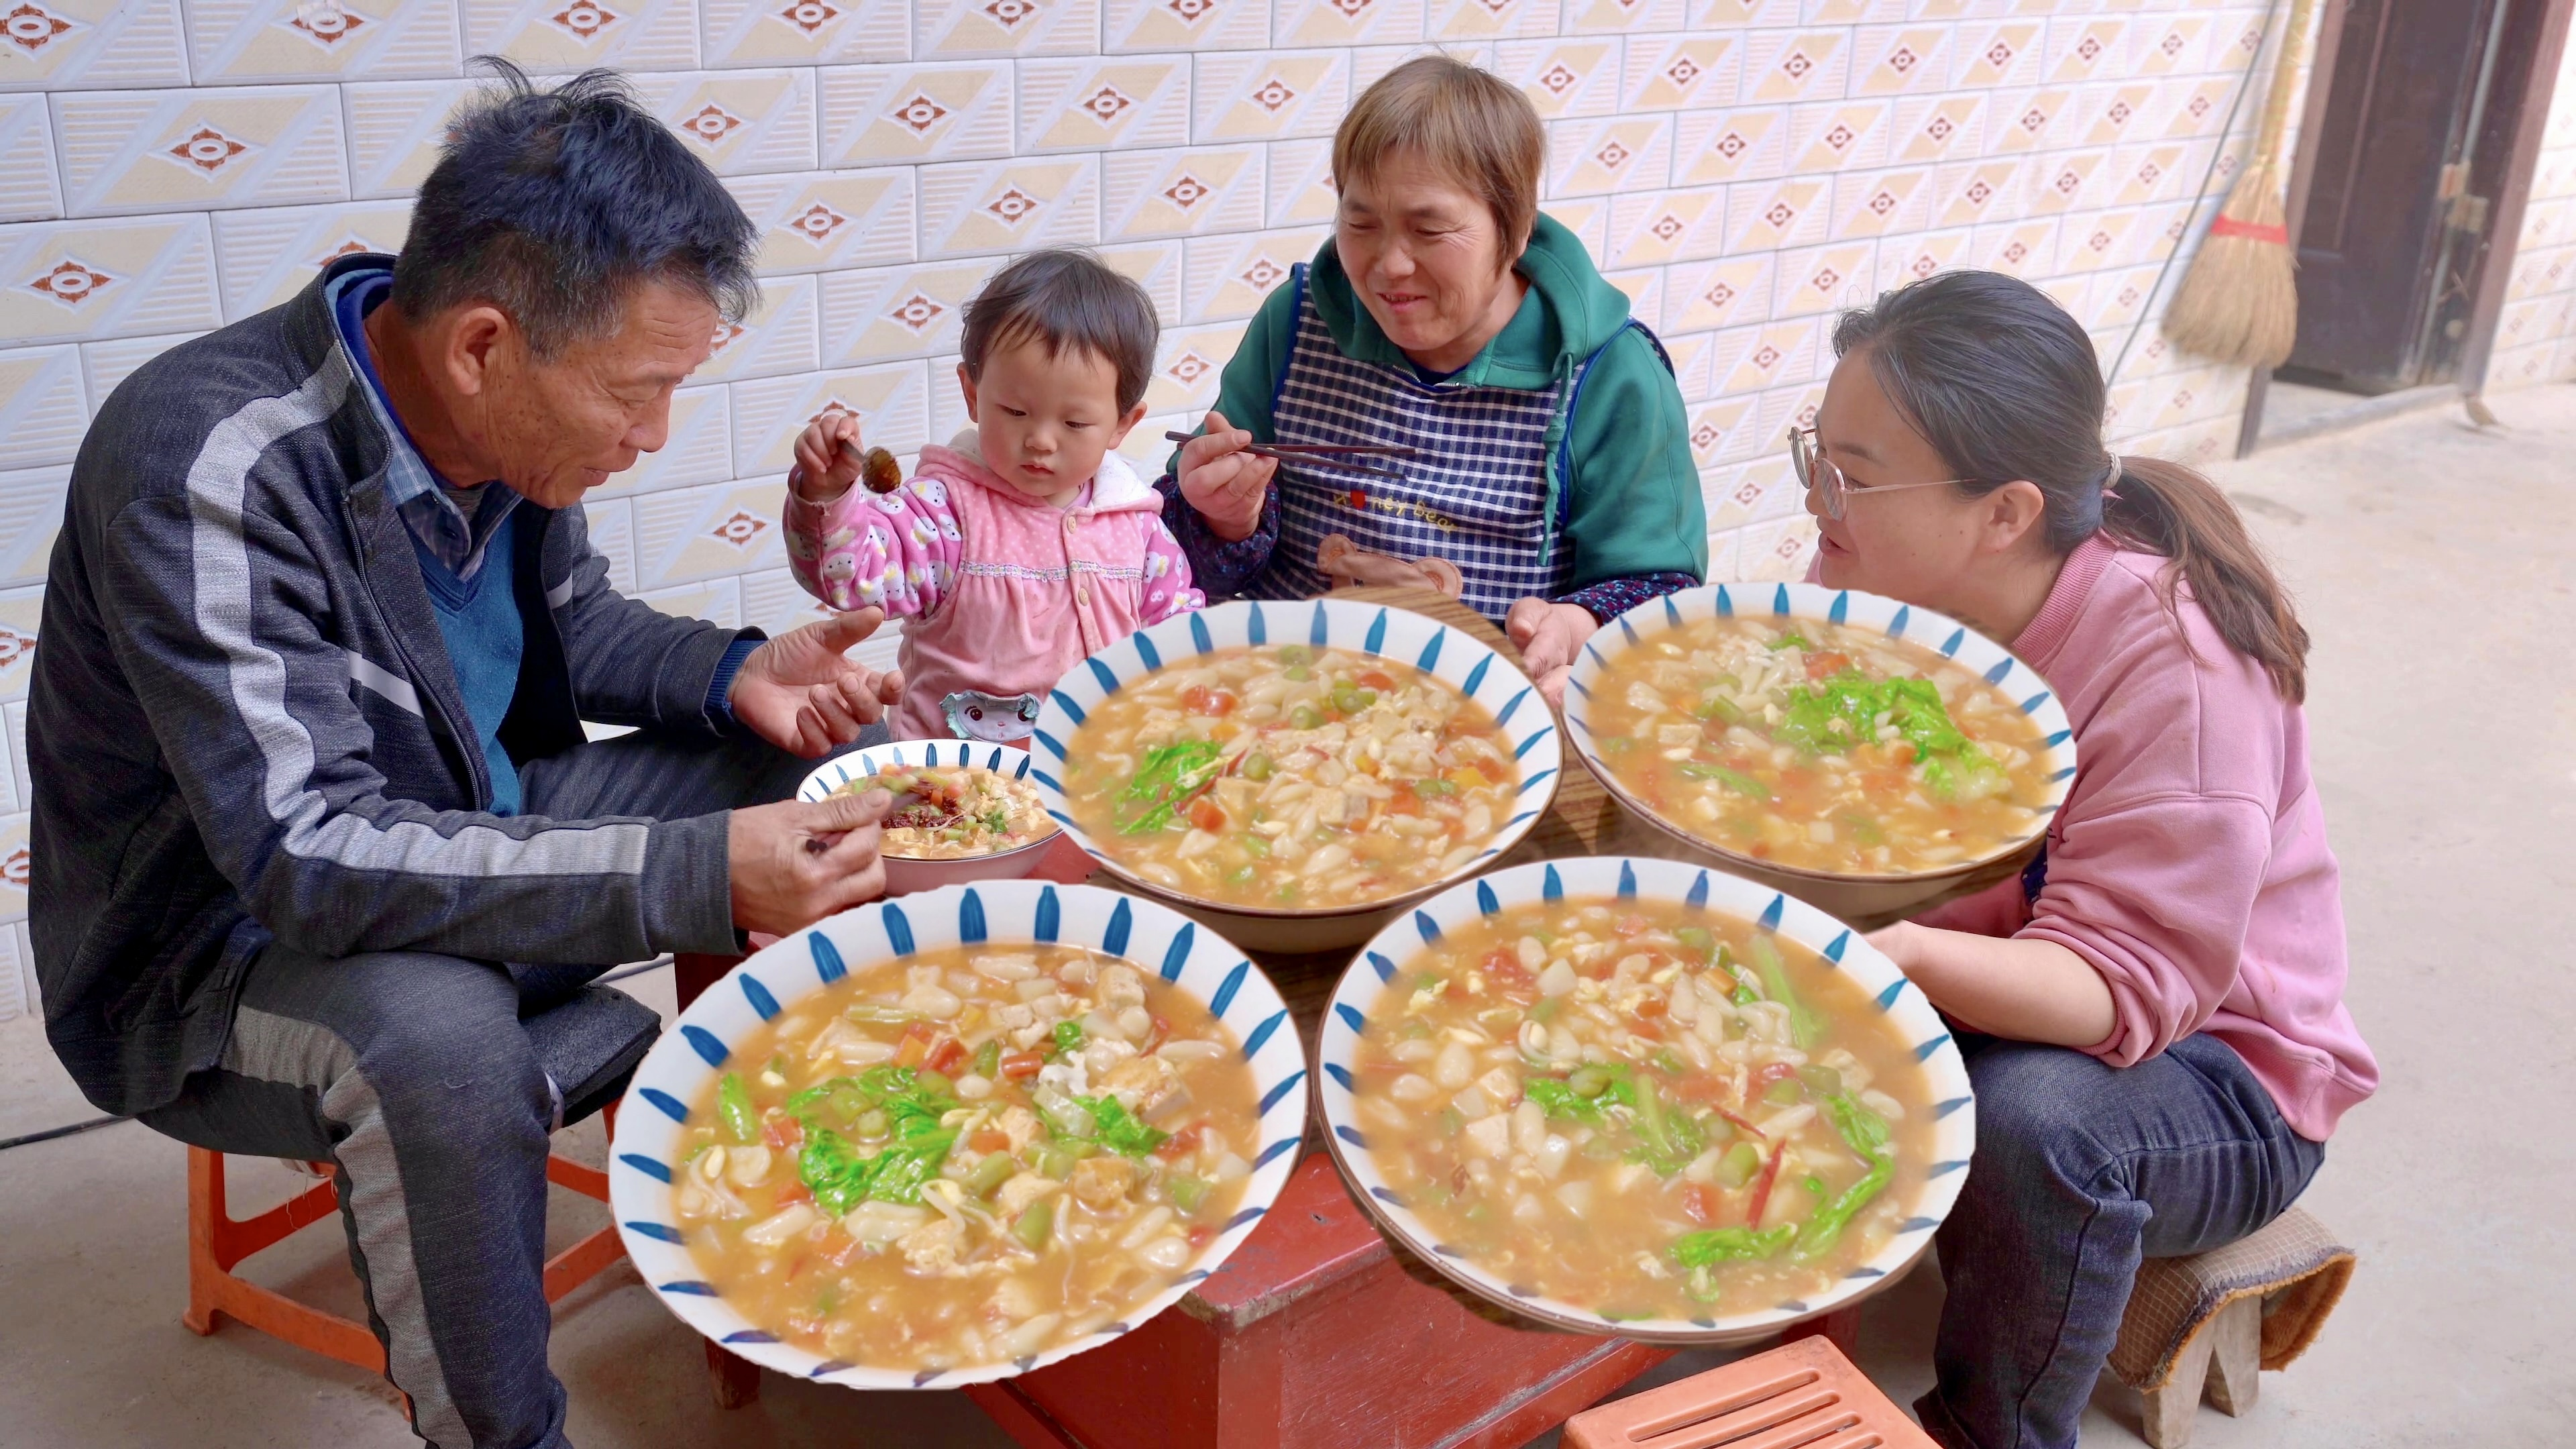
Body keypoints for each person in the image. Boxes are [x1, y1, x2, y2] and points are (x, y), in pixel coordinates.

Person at [28, 64, 903, 1449]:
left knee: (849, 784)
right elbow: (306, 853)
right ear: (484, 345)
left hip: (459, 825)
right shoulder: (205, 463)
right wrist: (685, 872)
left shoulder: (497, 427)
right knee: (440, 1050)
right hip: (221, 946)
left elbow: (577, 625)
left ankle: (838, 1188)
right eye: (640, 391)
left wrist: (741, 675)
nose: (655, 433)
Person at [1799, 270, 2378, 1449]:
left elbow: (2120, 990)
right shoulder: (1902, 584)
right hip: (2005, 961)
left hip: (2220, 1070)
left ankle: (1994, 1427)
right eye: (1818, 453)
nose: (1821, 499)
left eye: (1854, 475)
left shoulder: (2179, 671)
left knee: (2034, 1121)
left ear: (2005, 512)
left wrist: (1893, 949)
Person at [1160, 55, 1704, 699]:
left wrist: (1581, 622)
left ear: (1516, 226)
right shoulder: (1298, 321)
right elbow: (1173, 561)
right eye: (1361, 224)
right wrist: (1221, 518)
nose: (1389, 265)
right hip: (1277, 695)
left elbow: (1663, 596)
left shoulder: (1612, 374)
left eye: (1431, 229)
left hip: (1491, 732)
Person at [783, 250, 1203, 743]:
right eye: (1014, 411)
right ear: (972, 394)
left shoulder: (1135, 524)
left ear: (1122, 424)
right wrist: (828, 493)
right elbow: (853, 577)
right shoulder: (943, 516)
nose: (1041, 440)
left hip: (1100, 783)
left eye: (1074, 423)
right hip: (955, 792)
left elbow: (1177, 633)